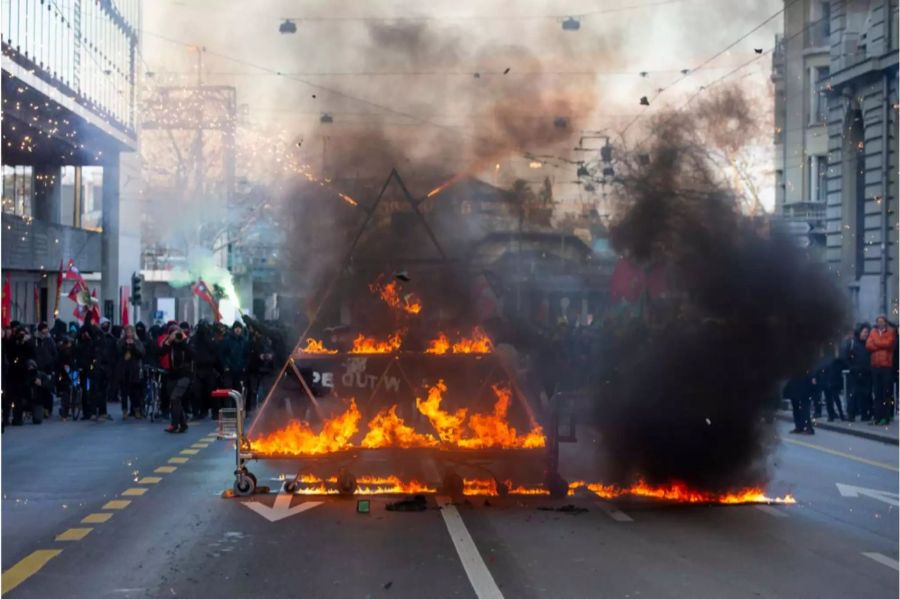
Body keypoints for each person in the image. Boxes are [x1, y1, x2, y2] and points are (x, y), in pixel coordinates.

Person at [161, 325, 193, 433]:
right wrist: (169, 341)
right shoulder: (169, 344)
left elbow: (193, 354)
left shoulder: (186, 342)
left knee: (175, 398)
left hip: (184, 374)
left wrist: (183, 341)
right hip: (172, 375)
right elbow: (160, 353)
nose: (176, 336)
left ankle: (174, 424)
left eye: (177, 333)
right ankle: (183, 424)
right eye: (173, 334)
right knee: (175, 400)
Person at [866, 315, 897, 425]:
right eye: (878, 321)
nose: (880, 323)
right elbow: (868, 345)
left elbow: (889, 343)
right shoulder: (873, 332)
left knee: (886, 393)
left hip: (886, 366)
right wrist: (880, 344)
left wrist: (877, 342)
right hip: (875, 365)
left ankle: (886, 416)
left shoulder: (891, 332)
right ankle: (877, 416)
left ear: (885, 322)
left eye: (882, 321)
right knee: (877, 392)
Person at [190, 321, 219, 420]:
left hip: (209, 368)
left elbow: (215, 350)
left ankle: (213, 412)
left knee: (211, 393)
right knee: (197, 393)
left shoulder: (210, 338)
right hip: (198, 368)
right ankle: (198, 412)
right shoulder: (195, 339)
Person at [843, 323, 872, 421]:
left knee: (866, 394)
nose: (866, 334)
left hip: (867, 372)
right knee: (853, 394)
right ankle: (851, 414)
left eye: (867, 332)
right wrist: (852, 367)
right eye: (864, 332)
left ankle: (865, 414)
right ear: (859, 332)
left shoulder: (869, 343)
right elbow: (846, 357)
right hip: (855, 372)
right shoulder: (852, 343)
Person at [8, 326, 36, 426]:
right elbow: (11, 354)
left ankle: (22, 415)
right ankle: (14, 418)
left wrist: (27, 342)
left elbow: (32, 354)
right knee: (14, 397)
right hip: (13, 373)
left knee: (23, 395)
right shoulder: (12, 342)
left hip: (25, 373)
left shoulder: (28, 343)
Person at [118, 325, 145, 419]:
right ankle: (124, 411)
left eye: (130, 332)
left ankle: (136, 410)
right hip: (123, 369)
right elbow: (118, 351)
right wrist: (125, 345)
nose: (129, 334)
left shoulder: (138, 342)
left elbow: (141, 353)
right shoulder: (121, 341)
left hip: (134, 370)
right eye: (127, 332)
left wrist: (133, 346)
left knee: (135, 392)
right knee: (124, 392)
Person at [93, 320, 118, 421]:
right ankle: (94, 411)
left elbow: (115, 354)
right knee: (95, 390)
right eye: (104, 325)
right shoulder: (96, 338)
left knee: (103, 391)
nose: (106, 327)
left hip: (107, 368)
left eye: (107, 325)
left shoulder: (112, 339)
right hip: (96, 367)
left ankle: (103, 412)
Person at [33, 322, 58, 419]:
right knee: (39, 389)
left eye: (46, 330)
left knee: (48, 389)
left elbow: (55, 354)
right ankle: (40, 409)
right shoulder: (35, 340)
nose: (45, 332)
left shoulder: (50, 341)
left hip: (48, 369)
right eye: (43, 331)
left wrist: (52, 365)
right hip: (37, 368)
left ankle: (48, 409)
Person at [221, 321, 249, 402]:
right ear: (233, 329)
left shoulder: (244, 341)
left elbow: (247, 355)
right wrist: (225, 366)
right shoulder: (227, 340)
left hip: (240, 371)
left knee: (239, 391)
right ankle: (229, 410)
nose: (238, 330)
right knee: (229, 392)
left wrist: (244, 366)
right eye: (236, 328)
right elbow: (222, 355)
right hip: (229, 371)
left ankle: (238, 411)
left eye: (239, 328)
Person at [817, 344, 846, 422]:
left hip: (830, 379)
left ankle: (833, 415)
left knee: (831, 398)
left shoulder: (828, 359)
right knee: (833, 398)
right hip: (831, 379)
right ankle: (838, 414)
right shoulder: (834, 360)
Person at [784, 368, 816, 434]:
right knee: (796, 408)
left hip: (805, 385)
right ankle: (799, 427)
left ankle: (808, 427)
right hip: (795, 384)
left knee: (805, 408)